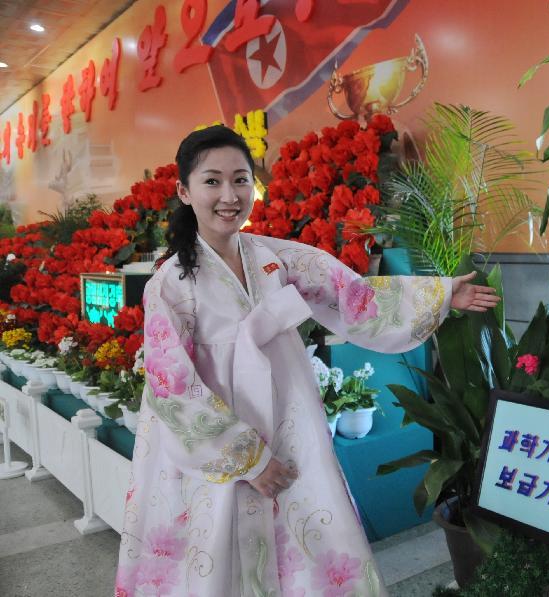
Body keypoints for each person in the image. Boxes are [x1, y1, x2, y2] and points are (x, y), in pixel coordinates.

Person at [114, 125, 499, 596]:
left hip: (285, 424)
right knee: (213, 558)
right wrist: (249, 460)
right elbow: (172, 389)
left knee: (306, 543)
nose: (229, 195)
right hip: (213, 452)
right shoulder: (169, 285)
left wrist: (440, 295)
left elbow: (350, 294)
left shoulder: (273, 257)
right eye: (212, 181)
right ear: (184, 191)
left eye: (240, 180)